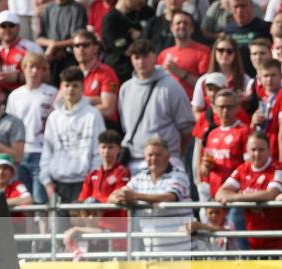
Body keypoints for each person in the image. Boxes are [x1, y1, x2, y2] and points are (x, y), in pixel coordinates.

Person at [118, 40, 195, 172]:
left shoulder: (171, 86)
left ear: (154, 57)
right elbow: (126, 127)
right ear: (131, 59)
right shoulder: (125, 88)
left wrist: (174, 154)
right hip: (133, 160)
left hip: (166, 162)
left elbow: (187, 128)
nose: (141, 62)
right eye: (137, 57)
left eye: (145, 56)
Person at [215, 131, 282, 250]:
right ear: (247, 151)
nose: (257, 154)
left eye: (261, 150)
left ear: (269, 150)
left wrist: (236, 197)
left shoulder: (279, 168)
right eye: (253, 149)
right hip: (255, 241)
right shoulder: (242, 169)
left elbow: (271, 194)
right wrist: (250, 197)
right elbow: (220, 193)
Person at [110, 137, 192, 252]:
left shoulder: (179, 175)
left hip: (180, 250)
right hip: (151, 251)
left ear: (168, 156)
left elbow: (169, 197)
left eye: (158, 155)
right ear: (145, 157)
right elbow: (115, 195)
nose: (153, 158)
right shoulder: (139, 177)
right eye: (150, 155)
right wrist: (117, 199)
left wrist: (135, 196)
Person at [39, 67, 105, 203]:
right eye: (67, 85)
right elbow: (46, 152)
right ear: (61, 87)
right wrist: (47, 183)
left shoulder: (93, 114)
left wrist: (92, 182)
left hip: (84, 183)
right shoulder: (54, 117)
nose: (71, 89)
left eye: (75, 85)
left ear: (83, 88)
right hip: (57, 184)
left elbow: (98, 153)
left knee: (81, 218)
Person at [63, 129, 130, 255]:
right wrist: (102, 202)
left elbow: (118, 198)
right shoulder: (92, 175)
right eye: (103, 147)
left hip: (114, 229)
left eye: (111, 147)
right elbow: (82, 202)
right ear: (99, 149)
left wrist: (94, 204)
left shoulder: (122, 172)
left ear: (118, 149)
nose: (106, 151)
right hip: (92, 228)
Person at [6, 52, 57, 206]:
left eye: (38, 68)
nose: (34, 71)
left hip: (42, 150)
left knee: (40, 198)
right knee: (24, 198)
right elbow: (10, 125)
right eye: (30, 67)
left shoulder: (52, 93)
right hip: (20, 152)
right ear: (23, 69)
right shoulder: (15, 95)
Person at [201, 89, 249, 198]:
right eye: (221, 107)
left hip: (234, 195)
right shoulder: (212, 134)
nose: (225, 110)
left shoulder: (244, 132)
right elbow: (206, 165)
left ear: (237, 107)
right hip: (214, 194)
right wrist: (205, 167)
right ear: (215, 108)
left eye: (229, 107)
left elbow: (249, 166)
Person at [251, 58, 282, 166]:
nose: (269, 79)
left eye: (273, 75)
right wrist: (253, 122)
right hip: (264, 157)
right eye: (266, 76)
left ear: (281, 77)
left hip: (279, 157)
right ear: (260, 78)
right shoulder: (263, 96)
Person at [72, 30, 120, 127]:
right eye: (77, 46)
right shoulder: (71, 74)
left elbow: (109, 110)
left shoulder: (107, 73)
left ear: (95, 48)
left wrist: (78, 103)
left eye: (85, 45)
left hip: (103, 126)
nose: (81, 49)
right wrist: (96, 100)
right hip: (77, 126)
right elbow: (60, 103)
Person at [157, 11, 210, 98]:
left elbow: (206, 86)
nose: (182, 26)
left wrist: (179, 72)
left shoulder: (203, 51)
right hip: (166, 102)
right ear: (171, 28)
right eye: (178, 23)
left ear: (192, 29)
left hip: (190, 103)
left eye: (185, 23)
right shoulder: (164, 54)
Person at [0, 152, 33, 237]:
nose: (1, 172)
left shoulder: (18, 185)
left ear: (12, 173)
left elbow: (28, 199)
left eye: (5, 168)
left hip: (15, 231)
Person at [37, 0, 88, 78]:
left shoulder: (77, 9)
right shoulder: (47, 9)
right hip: (51, 57)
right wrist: (52, 44)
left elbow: (79, 37)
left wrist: (55, 45)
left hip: (70, 57)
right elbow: (39, 39)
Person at [101, 0, 147, 84]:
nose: (142, 1)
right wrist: (139, 38)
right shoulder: (111, 19)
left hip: (137, 73)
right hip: (118, 72)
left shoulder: (143, 13)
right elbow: (127, 50)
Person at [223, 0, 271, 78]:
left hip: (261, 77)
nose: (239, 10)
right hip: (237, 78)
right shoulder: (228, 30)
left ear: (252, 6)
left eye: (243, 6)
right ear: (231, 9)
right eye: (236, 7)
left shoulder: (266, 28)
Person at [0, 10, 41, 91]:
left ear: (18, 27)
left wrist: (18, 77)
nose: (7, 29)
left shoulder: (31, 48)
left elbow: (44, 75)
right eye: (3, 26)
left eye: (11, 25)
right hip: (1, 95)